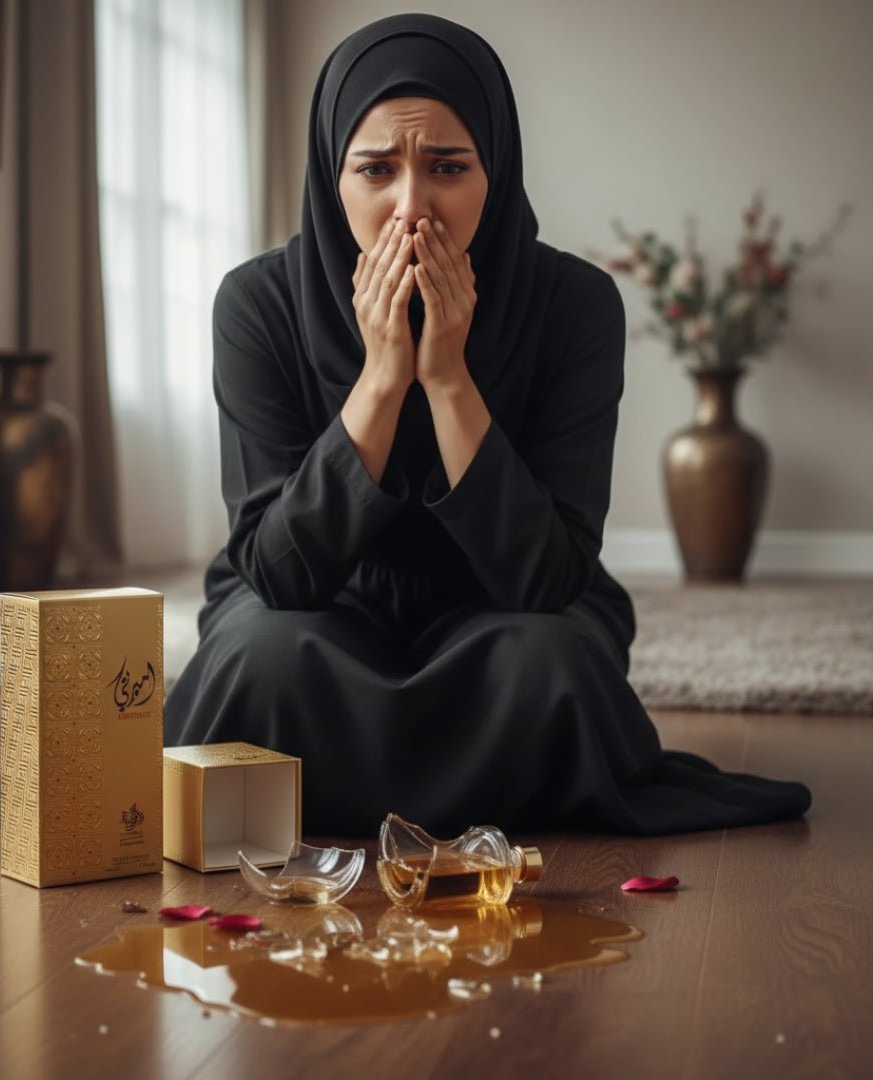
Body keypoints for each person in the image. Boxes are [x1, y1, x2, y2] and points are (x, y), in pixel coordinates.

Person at [164, 13, 811, 837]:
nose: (410, 208)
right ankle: (488, 787)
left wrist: (446, 378)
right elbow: (281, 577)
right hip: (316, 609)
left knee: (552, 663)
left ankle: (339, 784)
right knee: (261, 660)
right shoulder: (258, 303)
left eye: (447, 167)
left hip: (502, 607)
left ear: (493, 172)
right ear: (332, 176)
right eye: (375, 169)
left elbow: (547, 580)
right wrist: (383, 379)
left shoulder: (575, 305)